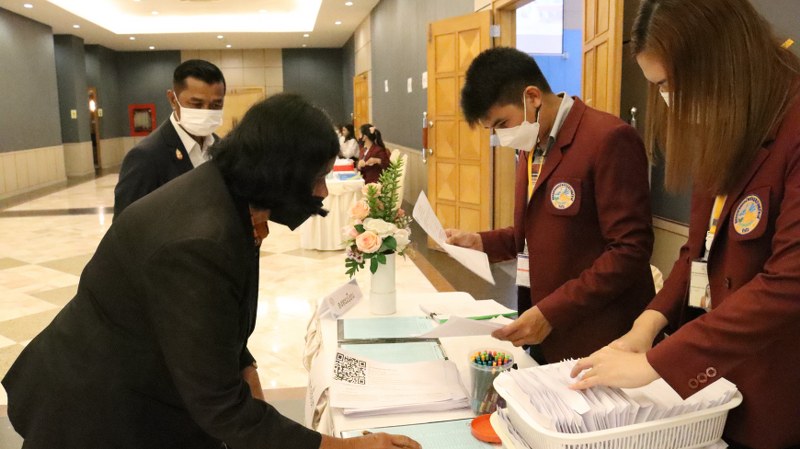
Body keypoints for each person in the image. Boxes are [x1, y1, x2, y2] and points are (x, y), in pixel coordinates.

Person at [2, 94, 420, 449]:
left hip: (143, 386)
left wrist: (252, 387)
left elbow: (220, 329)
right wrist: (347, 447)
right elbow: (220, 406)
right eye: (316, 178)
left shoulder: (229, 194)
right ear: (281, 170)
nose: (322, 192)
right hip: (98, 412)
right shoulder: (199, 241)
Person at [568, 1, 800, 447]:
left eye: (669, 84)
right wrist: (647, 324)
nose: (666, 98)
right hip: (715, 386)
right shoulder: (727, 117)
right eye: (657, 86)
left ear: (722, 58)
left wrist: (657, 363)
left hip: (776, 388)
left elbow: (790, 281)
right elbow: (698, 249)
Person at [446, 47, 655, 364]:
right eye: (494, 130)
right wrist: (480, 242)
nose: (502, 136)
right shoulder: (531, 146)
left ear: (532, 97)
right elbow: (535, 232)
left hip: (599, 337)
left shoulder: (608, 138)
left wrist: (552, 312)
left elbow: (630, 250)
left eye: (502, 123)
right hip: (545, 333)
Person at [113, 59, 226, 217]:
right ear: (173, 99)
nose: (206, 112)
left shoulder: (223, 149)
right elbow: (125, 224)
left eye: (216, 105)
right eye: (196, 104)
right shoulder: (146, 156)